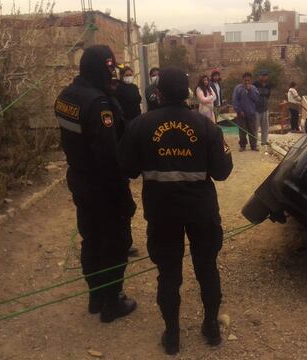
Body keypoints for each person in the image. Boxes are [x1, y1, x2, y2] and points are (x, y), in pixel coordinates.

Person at [118, 67, 233, 355]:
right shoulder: (207, 127)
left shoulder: (141, 125)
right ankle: (211, 328)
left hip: (162, 211)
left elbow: (127, 167)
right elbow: (222, 171)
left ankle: (172, 336)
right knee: (207, 269)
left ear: (159, 93)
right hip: (201, 211)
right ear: (186, 93)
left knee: (168, 274)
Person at [53, 45, 137, 323]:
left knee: (90, 238)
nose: (112, 74)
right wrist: (124, 194)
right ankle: (112, 303)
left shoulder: (66, 96)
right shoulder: (99, 104)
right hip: (103, 185)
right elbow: (108, 155)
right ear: (100, 68)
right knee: (116, 241)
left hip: (79, 178)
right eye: (109, 68)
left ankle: (95, 296)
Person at [232, 72, 260, 151]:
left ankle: (253, 145)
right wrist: (239, 111)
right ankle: (242, 145)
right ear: (242, 80)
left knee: (252, 130)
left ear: (250, 80)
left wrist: (250, 91)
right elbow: (235, 101)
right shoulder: (238, 88)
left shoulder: (254, 88)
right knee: (242, 131)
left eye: (248, 80)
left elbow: (256, 99)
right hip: (241, 114)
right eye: (245, 80)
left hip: (251, 113)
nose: (246, 82)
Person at [253, 70, 271, 146]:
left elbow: (268, 96)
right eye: (262, 75)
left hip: (265, 108)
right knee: (255, 127)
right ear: (259, 76)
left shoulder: (268, 85)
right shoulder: (255, 84)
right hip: (256, 109)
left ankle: (264, 141)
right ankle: (254, 142)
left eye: (265, 76)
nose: (264, 77)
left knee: (265, 126)